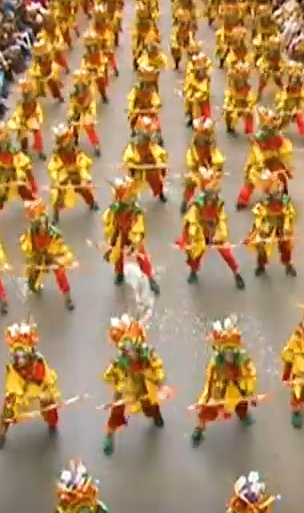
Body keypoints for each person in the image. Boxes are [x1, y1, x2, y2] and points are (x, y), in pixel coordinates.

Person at [100, 312, 167, 455]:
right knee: (116, 410)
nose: (130, 353)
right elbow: (113, 373)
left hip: (144, 385)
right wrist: (119, 384)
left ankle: (155, 415)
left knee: (150, 405)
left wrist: (158, 379)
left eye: (132, 350)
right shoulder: (121, 360)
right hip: (125, 385)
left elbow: (157, 367)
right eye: (127, 350)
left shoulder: (147, 355)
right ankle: (109, 435)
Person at [0, 321, 62, 449]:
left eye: (23, 357)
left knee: (50, 404)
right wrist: (19, 398)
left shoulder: (39, 362)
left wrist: (51, 395)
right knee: (8, 407)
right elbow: (12, 384)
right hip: (21, 390)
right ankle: (2, 432)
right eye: (16, 357)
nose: (19, 361)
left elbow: (48, 380)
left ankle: (52, 423)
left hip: (39, 388)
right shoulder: (13, 367)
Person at [191, 316, 257, 446]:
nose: (229, 357)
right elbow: (209, 383)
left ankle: (244, 416)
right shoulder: (215, 365)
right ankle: (200, 428)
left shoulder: (244, 362)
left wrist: (249, 390)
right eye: (226, 353)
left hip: (238, 392)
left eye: (231, 353)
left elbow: (251, 376)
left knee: (242, 406)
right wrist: (204, 399)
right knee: (207, 411)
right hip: (219, 393)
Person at [175, 167, 246, 288]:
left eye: (215, 194)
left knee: (227, 253)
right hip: (200, 231)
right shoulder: (197, 204)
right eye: (211, 195)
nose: (213, 197)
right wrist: (194, 236)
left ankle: (237, 273)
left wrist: (220, 234)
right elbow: (192, 221)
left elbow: (222, 220)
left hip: (214, 231)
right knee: (195, 253)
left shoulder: (219, 204)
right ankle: (193, 271)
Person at [100, 176, 160, 293]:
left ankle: (150, 278)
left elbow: (138, 228)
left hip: (132, 234)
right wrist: (112, 237)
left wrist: (135, 242)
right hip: (119, 232)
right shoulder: (115, 208)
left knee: (141, 255)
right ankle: (119, 273)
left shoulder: (136, 212)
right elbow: (109, 221)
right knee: (117, 253)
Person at [19, 199, 78, 311]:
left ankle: (68, 298)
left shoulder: (54, 235)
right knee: (33, 280)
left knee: (60, 274)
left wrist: (57, 260)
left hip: (52, 256)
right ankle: (34, 284)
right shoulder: (30, 234)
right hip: (37, 257)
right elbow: (26, 245)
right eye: (40, 225)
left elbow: (61, 247)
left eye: (44, 224)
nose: (43, 227)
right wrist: (32, 257)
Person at [243, 169, 297, 278]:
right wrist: (258, 226)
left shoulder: (285, 199)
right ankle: (261, 265)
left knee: (285, 246)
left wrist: (287, 224)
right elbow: (259, 213)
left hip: (281, 223)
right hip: (268, 222)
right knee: (261, 244)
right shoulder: (265, 199)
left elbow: (289, 212)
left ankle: (288, 264)